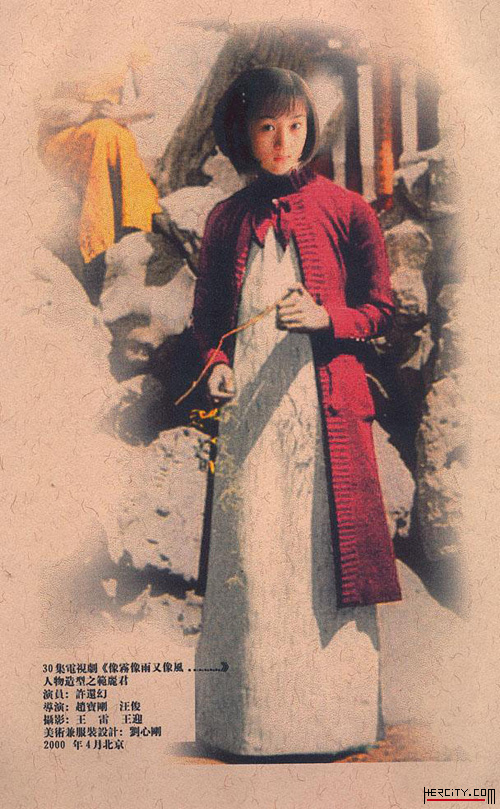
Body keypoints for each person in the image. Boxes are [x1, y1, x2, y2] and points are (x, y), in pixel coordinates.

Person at [192, 67, 402, 759]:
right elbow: (208, 321)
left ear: (310, 128)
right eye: (266, 127)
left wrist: (327, 317)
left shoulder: (347, 210)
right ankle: (250, 728)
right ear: (242, 134)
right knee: (255, 553)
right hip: (249, 421)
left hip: (324, 414)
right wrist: (216, 363)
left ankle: (334, 724)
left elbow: (382, 308)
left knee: (322, 551)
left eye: (295, 126)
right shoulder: (226, 219)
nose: (283, 141)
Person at [37, 43, 162, 303]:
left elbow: (150, 102)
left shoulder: (132, 38)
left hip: (108, 135)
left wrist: (122, 112)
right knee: (108, 136)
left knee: (114, 135)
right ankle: (102, 250)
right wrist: (88, 112)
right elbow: (39, 105)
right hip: (61, 137)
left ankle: (121, 249)